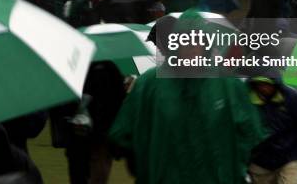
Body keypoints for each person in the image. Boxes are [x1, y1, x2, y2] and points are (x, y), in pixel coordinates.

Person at [110, 62, 266, 183]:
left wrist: (235, 165)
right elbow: (122, 133)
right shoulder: (149, 83)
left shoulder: (228, 84)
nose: (192, 49)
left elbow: (250, 132)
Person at [248, 77, 297, 184]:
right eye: (260, 84)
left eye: (267, 84)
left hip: (290, 157)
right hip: (259, 161)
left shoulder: (292, 96)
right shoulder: (246, 97)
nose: (264, 88)